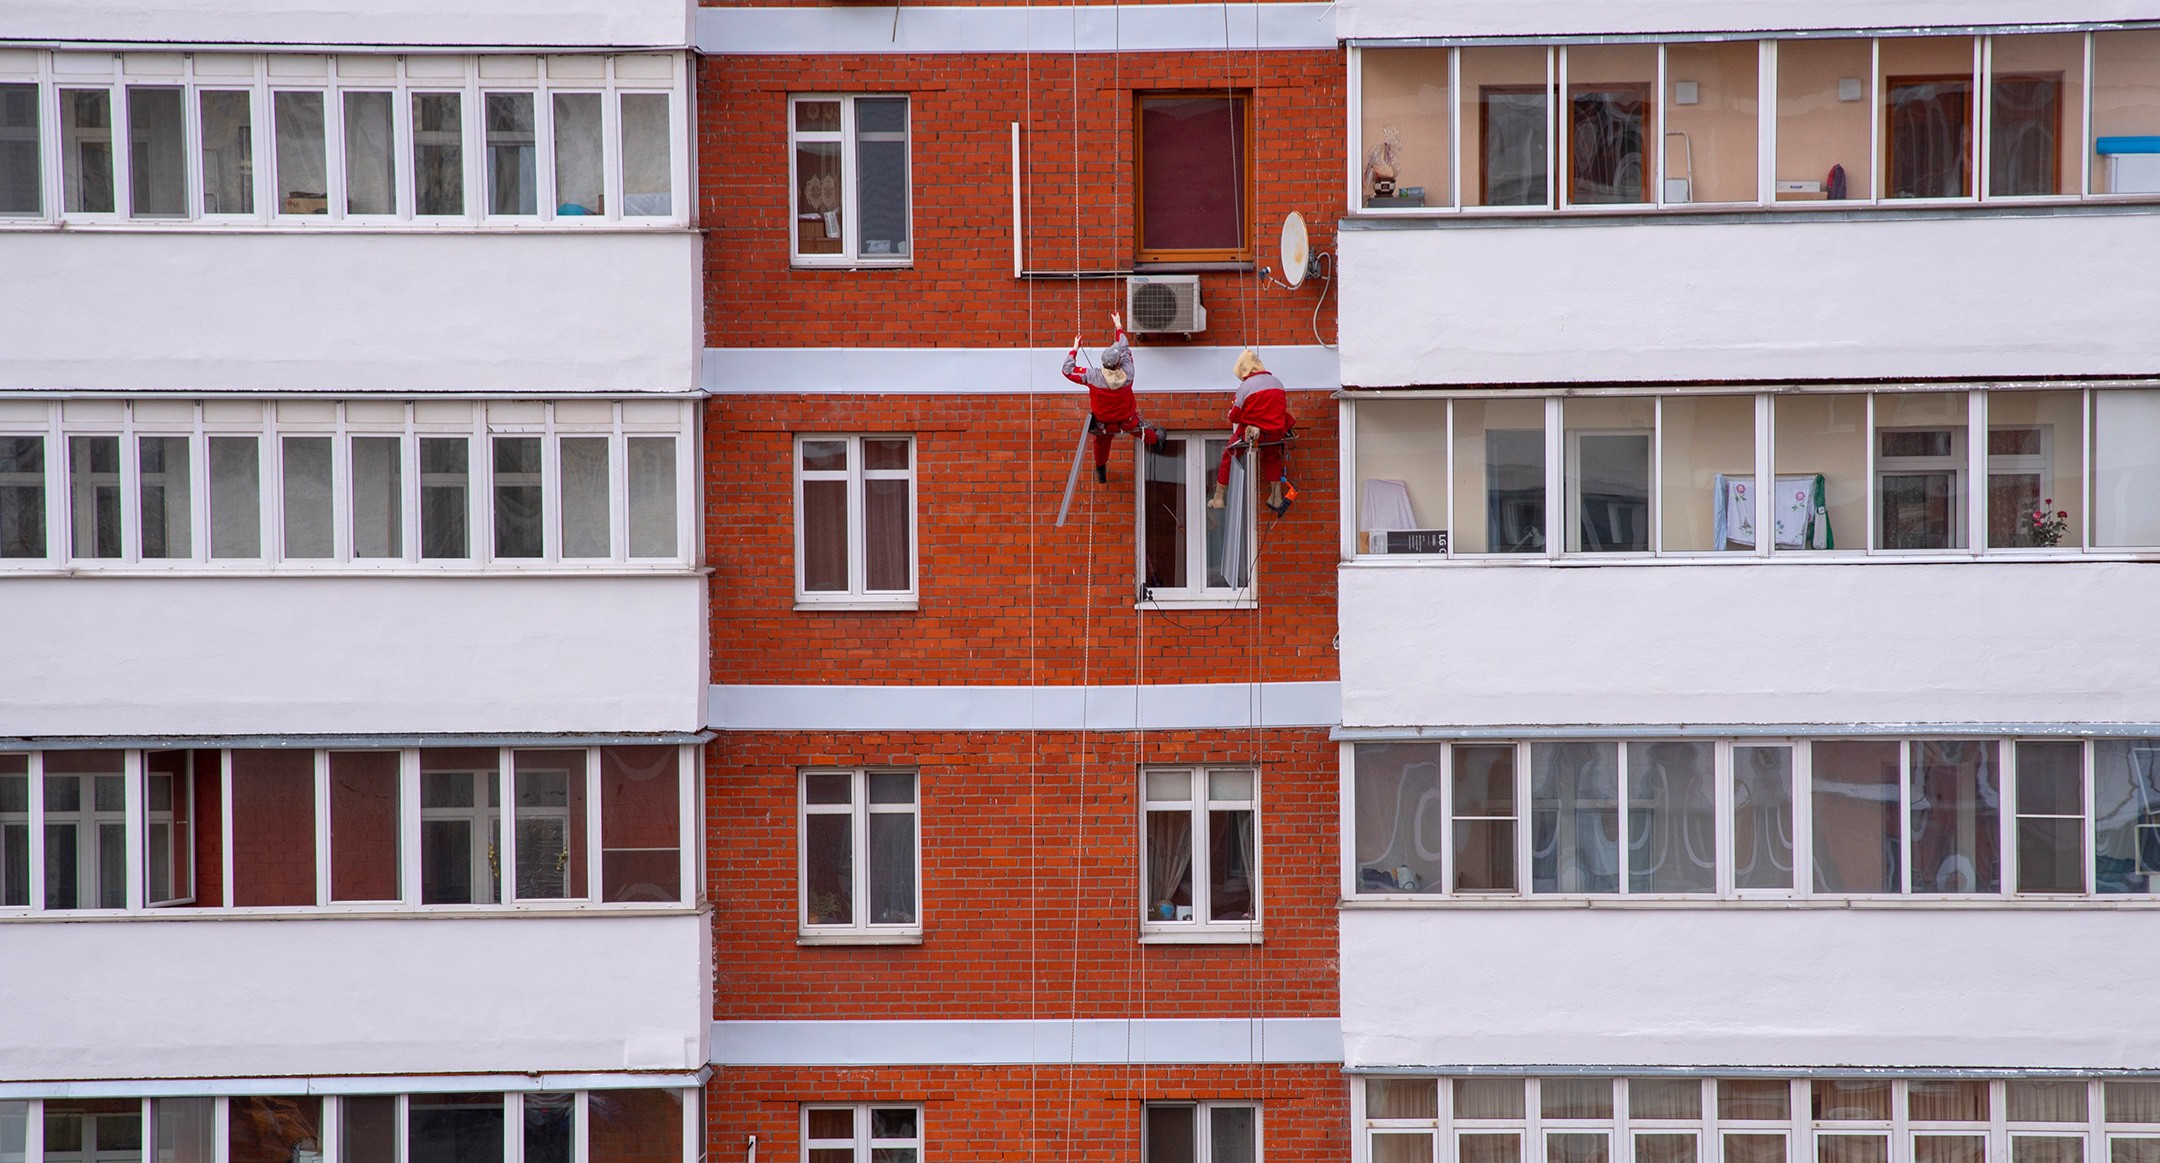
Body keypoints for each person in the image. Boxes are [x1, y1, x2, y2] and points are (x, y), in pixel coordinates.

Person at [1063, 313, 1169, 483]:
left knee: (1101, 443)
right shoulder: (1128, 374)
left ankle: (1101, 469)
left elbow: (1067, 370)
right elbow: (1125, 349)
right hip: (1127, 420)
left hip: (1103, 422)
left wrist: (1075, 348)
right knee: (1141, 429)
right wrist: (1118, 326)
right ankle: (1157, 442)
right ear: (1118, 363)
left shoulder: (1093, 376)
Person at [1210, 348, 1296, 514]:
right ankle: (1276, 496)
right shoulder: (1277, 383)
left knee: (1230, 454)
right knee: (1272, 458)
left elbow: (1234, 416)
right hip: (1275, 431)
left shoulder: (1245, 387)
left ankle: (1219, 497)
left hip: (1253, 432)